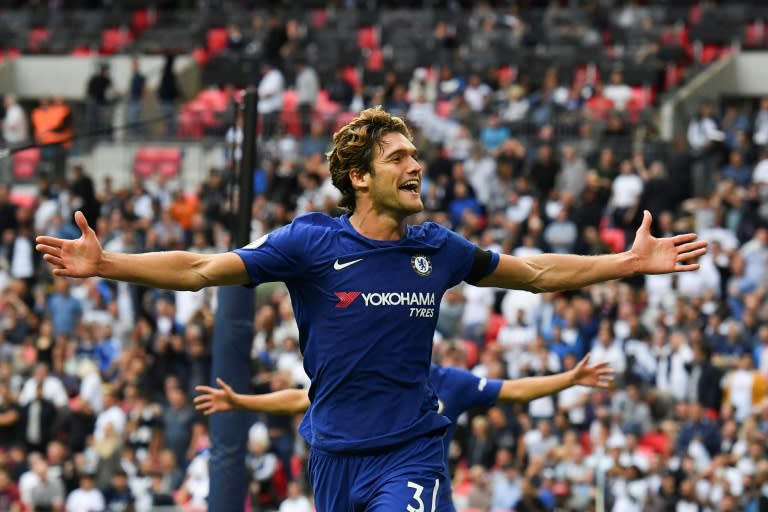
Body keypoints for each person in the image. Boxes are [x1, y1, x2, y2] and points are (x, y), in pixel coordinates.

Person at [36, 106, 707, 511]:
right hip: (331, 456)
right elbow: (202, 268)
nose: (416, 166)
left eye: (416, 155)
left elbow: (532, 273)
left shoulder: (437, 247)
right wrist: (109, 262)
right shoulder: (310, 243)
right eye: (399, 157)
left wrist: (626, 262)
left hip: (409, 454)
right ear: (360, 176)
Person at [194, 355, 614, 511]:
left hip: (429, 492)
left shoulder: (453, 383)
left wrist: (570, 379)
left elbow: (515, 390)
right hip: (358, 483)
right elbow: (303, 399)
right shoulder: (371, 376)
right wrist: (242, 401)